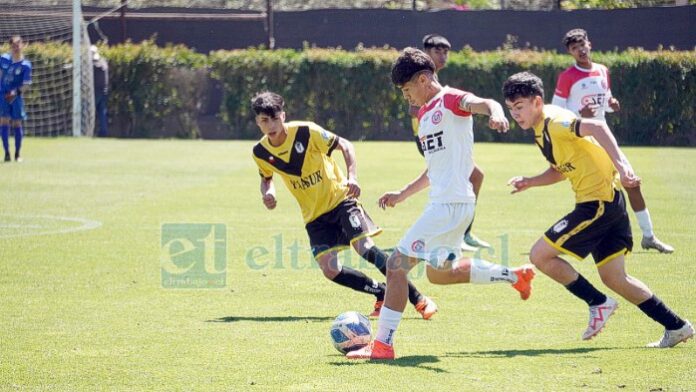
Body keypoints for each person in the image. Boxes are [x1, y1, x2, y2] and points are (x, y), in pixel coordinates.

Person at [346, 48, 535, 360]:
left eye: (407, 90)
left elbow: (482, 103)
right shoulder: (423, 114)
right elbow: (434, 169)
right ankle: (514, 276)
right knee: (440, 275)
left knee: (395, 267)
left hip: (448, 206)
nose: (406, 97)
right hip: (453, 205)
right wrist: (403, 193)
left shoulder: (449, 99)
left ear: (423, 79)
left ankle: (382, 345)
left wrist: (497, 113)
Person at [503, 71, 692, 348]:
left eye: (519, 107)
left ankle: (597, 302)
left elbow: (598, 127)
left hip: (598, 204)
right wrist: (531, 182)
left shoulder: (554, 121)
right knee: (615, 278)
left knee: (540, 255)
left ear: (537, 102)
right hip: (607, 202)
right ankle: (677, 326)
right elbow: (560, 170)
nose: (515, 114)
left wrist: (624, 166)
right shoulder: (540, 132)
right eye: (511, 109)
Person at [251, 91, 437, 320]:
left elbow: (346, 146)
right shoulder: (260, 152)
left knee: (365, 248)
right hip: (314, 215)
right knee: (330, 270)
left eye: (274, 118)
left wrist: (352, 177)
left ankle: (418, 298)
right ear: (257, 121)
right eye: (263, 120)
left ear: (283, 115)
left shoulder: (306, 131)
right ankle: (381, 291)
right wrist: (268, 192)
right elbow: (266, 177)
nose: (270, 125)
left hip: (341, 199)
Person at [552, 28, 673, 254]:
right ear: (570, 52)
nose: (580, 50)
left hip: (604, 137)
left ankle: (649, 236)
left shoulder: (602, 71)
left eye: (582, 45)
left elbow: (605, 102)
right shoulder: (567, 76)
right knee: (595, 193)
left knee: (632, 181)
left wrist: (612, 105)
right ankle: (585, 237)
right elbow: (556, 111)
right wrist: (579, 114)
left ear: (590, 44)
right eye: (574, 48)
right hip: (583, 142)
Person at [408, 34, 490, 251]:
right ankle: (457, 232)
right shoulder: (417, 79)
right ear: (426, 53)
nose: (443, 56)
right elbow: (416, 111)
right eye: (438, 52)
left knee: (474, 175)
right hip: (429, 138)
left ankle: (462, 231)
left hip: (436, 137)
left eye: (446, 52)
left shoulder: (435, 83)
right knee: (456, 177)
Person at [0, 35, 32, 163]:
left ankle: (18, 154)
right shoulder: (3, 59)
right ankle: (7, 153)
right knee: (3, 122)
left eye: (18, 45)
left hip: (16, 98)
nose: (16, 48)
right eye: (14, 45)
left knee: (17, 123)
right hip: (3, 96)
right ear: (10, 46)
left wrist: (15, 93)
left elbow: (26, 84)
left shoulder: (26, 65)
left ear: (22, 45)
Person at [91, 45, 109, 137]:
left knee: (91, 112)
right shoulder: (103, 62)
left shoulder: (93, 64)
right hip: (104, 91)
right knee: (102, 112)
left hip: (96, 92)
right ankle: (103, 132)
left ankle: (90, 131)